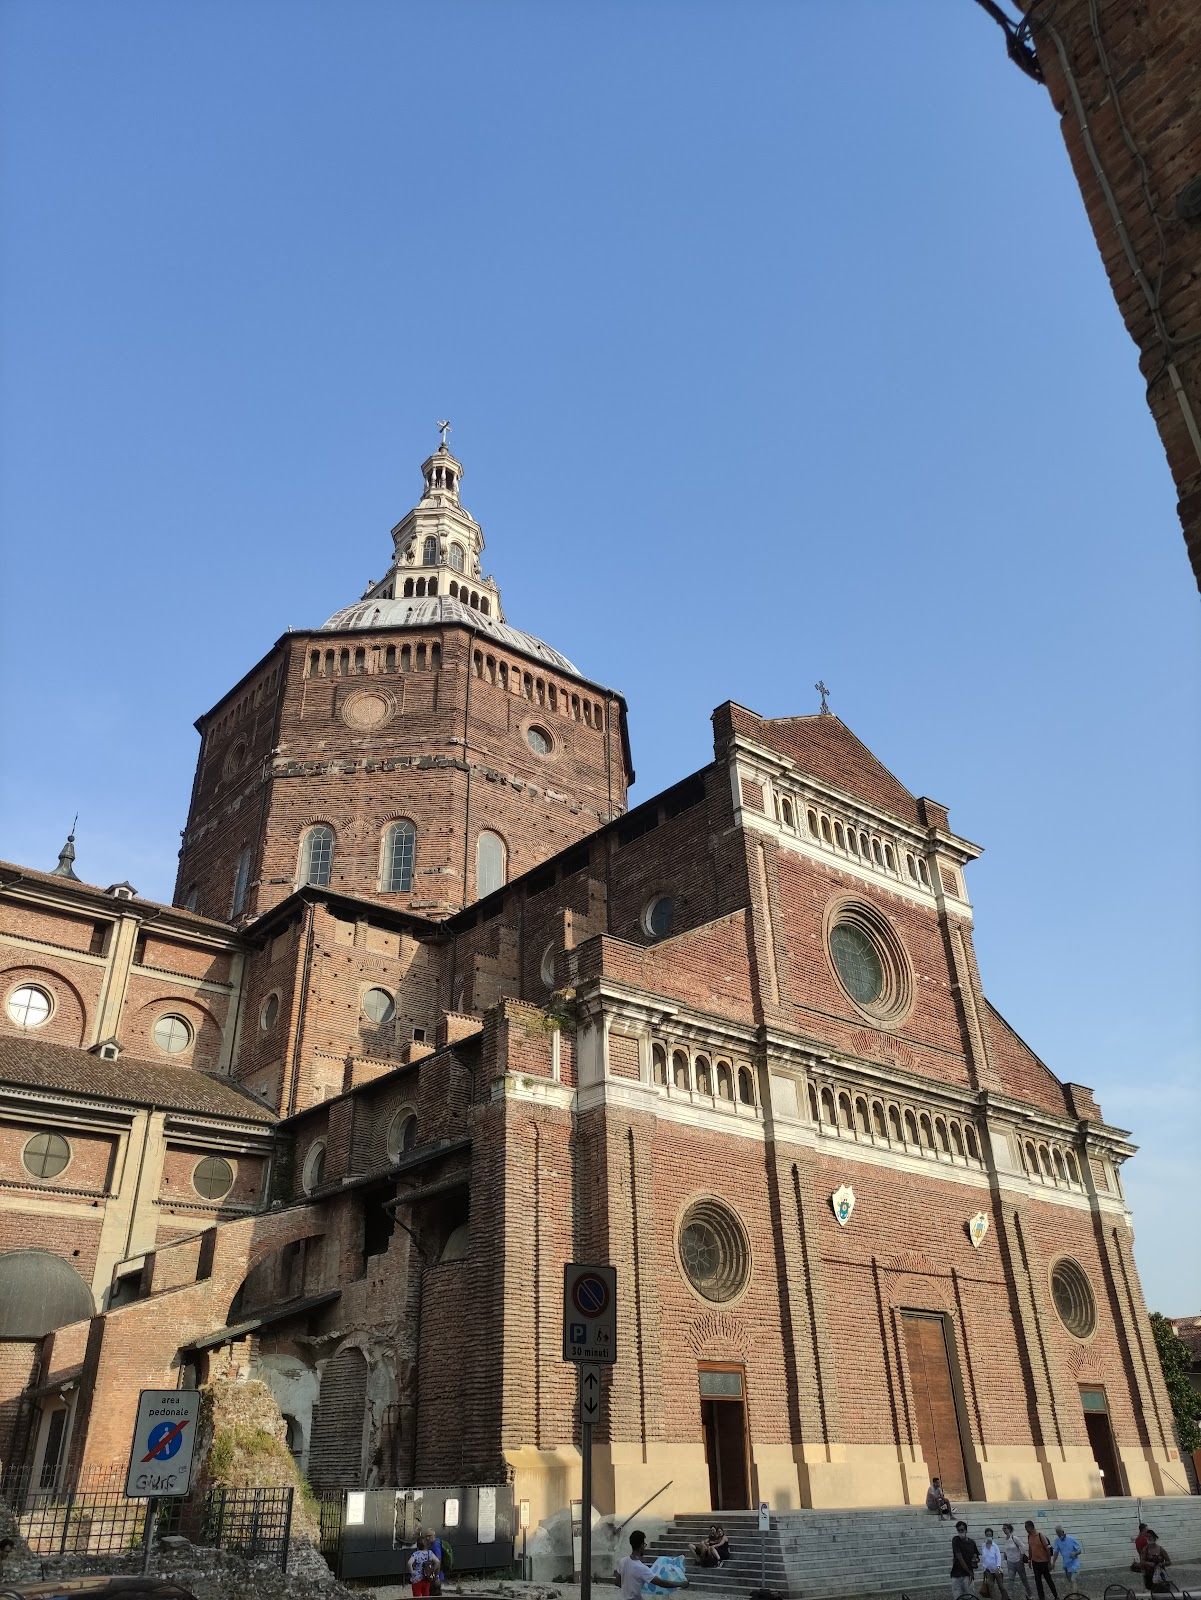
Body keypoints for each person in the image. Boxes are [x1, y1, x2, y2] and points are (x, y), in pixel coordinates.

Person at [1024, 1522, 1057, 1600]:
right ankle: (1041, 1598)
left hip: (1044, 1563)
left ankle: (1056, 1596)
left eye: (1026, 1527)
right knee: (1038, 1583)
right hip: (1035, 1563)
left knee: (1049, 1580)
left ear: (1031, 1527)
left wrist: (1049, 1562)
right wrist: (1029, 1559)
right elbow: (1030, 1548)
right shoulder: (1029, 1536)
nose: (1025, 1529)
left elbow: (1048, 1549)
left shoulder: (1040, 1535)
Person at [951, 1520, 980, 1600]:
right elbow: (959, 1558)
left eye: (962, 1530)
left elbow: (977, 1556)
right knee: (958, 1597)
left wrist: (976, 1559)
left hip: (968, 1575)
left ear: (966, 1530)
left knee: (970, 1596)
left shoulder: (972, 1542)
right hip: (957, 1573)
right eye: (958, 1530)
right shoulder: (956, 1540)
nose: (960, 1532)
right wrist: (970, 1572)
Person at [1001, 1524, 1032, 1598]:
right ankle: (1010, 1597)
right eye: (1003, 1529)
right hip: (1010, 1563)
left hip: (1018, 1562)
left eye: (1005, 1528)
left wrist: (1021, 1558)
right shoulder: (1005, 1539)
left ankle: (1030, 1595)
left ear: (1009, 1529)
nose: (1004, 1530)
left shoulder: (1014, 1538)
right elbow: (1007, 1550)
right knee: (1011, 1580)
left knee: (1024, 1579)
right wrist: (1005, 1555)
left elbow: (1023, 1547)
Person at [1051, 1527, 1082, 1595]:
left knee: (1073, 1580)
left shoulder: (1071, 1539)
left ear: (1063, 1531)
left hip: (1074, 1563)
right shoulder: (1057, 1541)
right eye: (1057, 1533)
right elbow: (1056, 1552)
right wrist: (1053, 1562)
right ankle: (1076, 1593)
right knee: (1069, 1580)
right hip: (1066, 1564)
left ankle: (1074, 1596)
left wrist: (1075, 1553)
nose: (1059, 1535)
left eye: (1060, 1532)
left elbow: (1079, 1550)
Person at [980, 1529, 1008, 1600]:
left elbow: (998, 1557)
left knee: (1001, 1586)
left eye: (990, 1535)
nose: (988, 1536)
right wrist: (984, 1568)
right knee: (991, 1587)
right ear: (985, 1535)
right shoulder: (983, 1546)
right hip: (988, 1571)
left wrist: (998, 1567)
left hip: (997, 1569)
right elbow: (984, 1558)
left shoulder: (995, 1546)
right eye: (987, 1535)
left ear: (992, 1536)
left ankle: (1006, 1598)